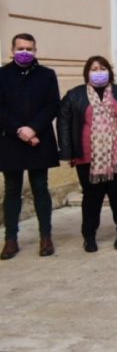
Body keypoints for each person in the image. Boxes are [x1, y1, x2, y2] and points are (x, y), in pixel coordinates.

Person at [58, 56, 117, 252]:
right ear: (87, 73)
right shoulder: (75, 95)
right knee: (91, 197)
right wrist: (68, 152)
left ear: (110, 71)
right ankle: (89, 235)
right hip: (87, 157)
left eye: (102, 68)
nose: (98, 71)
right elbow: (64, 123)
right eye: (94, 68)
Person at [0, 33, 60, 260]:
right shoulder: (2, 75)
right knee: (12, 190)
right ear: (12, 50)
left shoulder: (46, 75)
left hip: (39, 139)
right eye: (20, 48)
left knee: (40, 189)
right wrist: (20, 130)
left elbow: (52, 105)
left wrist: (33, 129)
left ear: (35, 51)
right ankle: (11, 239)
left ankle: (46, 237)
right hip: (11, 139)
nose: (24, 52)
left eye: (29, 48)